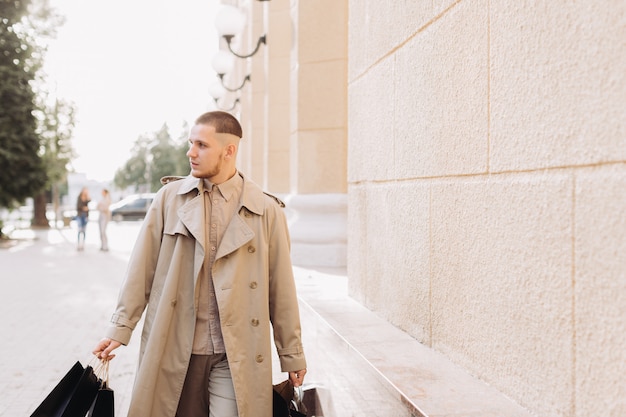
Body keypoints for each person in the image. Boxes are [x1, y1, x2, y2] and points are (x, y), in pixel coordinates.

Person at [92, 111, 307, 417]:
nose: (190, 152)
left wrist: (292, 354)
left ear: (229, 150)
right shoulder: (168, 200)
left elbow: (281, 289)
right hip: (176, 344)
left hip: (235, 354)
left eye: (202, 145)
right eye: (191, 143)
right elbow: (142, 270)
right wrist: (119, 328)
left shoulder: (266, 210)